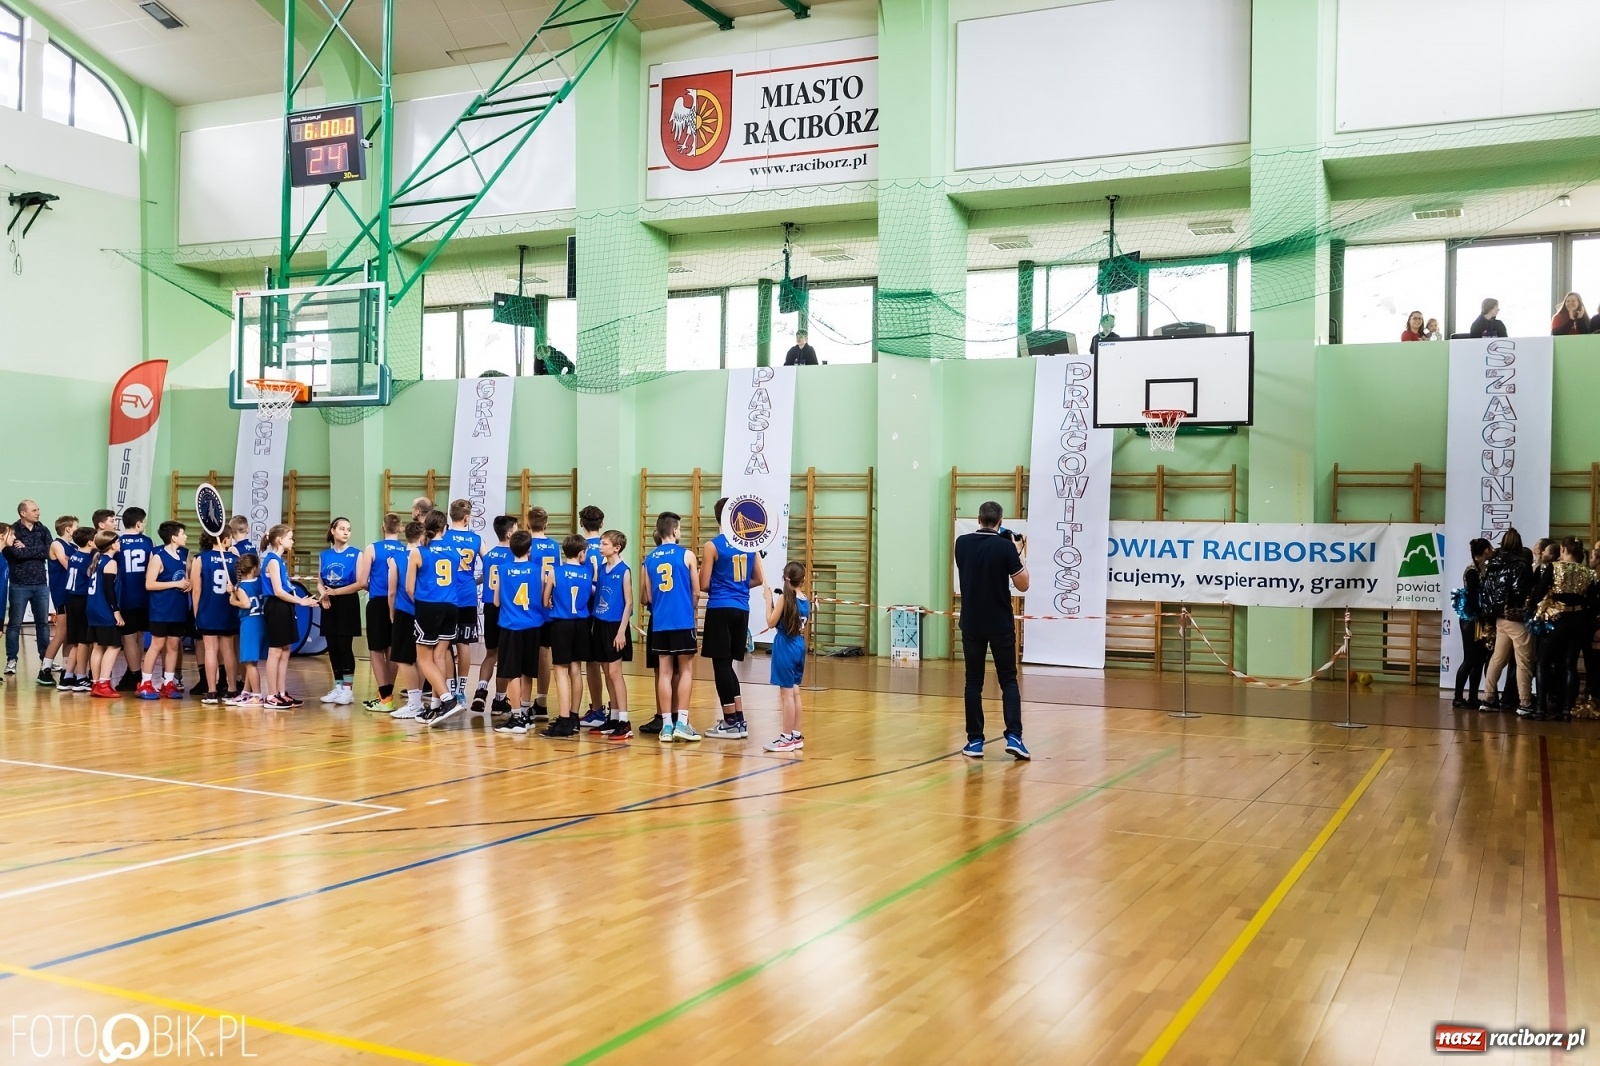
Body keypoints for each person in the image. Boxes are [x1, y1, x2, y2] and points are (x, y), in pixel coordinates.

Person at [954, 501, 1030, 759]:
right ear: (1000, 520)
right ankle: (1015, 737)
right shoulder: (1006, 547)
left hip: (972, 623)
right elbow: (1023, 585)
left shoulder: (961, 544)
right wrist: (1018, 551)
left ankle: (975, 742)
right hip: (1000, 624)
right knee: (1008, 680)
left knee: (973, 682)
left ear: (978, 519)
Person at [701, 496, 764, 740]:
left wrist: (721, 584)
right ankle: (738, 718)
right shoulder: (749, 544)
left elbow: (705, 583)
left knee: (720, 664)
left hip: (720, 607)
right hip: (742, 608)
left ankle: (729, 722)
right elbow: (758, 579)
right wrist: (738, 585)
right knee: (729, 665)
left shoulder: (713, 545)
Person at [644, 511, 701, 742]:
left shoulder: (649, 559)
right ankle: (682, 722)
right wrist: (690, 609)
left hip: (660, 622)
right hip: (682, 620)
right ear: (675, 530)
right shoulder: (687, 555)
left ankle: (666, 725)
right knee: (686, 670)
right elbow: (696, 591)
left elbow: (647, 595)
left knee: (664, 673)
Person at [405, 510, 463, 726]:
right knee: (441, 655)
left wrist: (422, 602)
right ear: (444, 528)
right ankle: (437, 707)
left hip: (429, 606)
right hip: (451, 606)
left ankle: (448, 700)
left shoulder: (419, 552)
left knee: (423, 658)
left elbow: (409, 588)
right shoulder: (455, 552)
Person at [1530, 537, 1593, 721]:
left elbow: (1540, 592)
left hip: (1556, 620)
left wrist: (1533, 608)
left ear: (1563, 549)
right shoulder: (1588, 572)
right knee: (1569, 665)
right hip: (1578, 621)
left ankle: (1541, 708)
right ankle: (1566, 709)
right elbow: (1593, 603)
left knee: (1542, 661)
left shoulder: (1554, 568)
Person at [541, 534, 593, 738]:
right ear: (581, 553)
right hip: (581, 624)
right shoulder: (587, 573)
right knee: (576, 669)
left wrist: (553, 600)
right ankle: (573, 717)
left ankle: (563, 721)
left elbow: (545, 601)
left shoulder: (555, 572)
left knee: (560, 670)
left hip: (561, 624)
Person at [261, 524, 317, 710]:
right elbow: (277, 590)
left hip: (285, 607)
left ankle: (281, 692)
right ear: (280, 540)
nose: (292, 541)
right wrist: (301, 601)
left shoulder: (279, 560)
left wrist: (301, 601)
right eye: (290, 538)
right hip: (276, 607)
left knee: (285, 650)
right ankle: (270, 695)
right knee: (275, 651)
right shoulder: (272, 561)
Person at [1481, 528, 1535, 713]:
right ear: (1519, 543)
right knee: (1524, 662)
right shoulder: (1520, 563)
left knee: (1497, 659)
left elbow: (1486, 591)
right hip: (1516, 618)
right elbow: (1521, 590)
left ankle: (1488, 698)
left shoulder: (1492, 562)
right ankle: (1525, 702)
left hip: (1498, 618)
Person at [360, 513, 410, 712]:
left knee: (376, 649)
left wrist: (375, 587)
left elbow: (362, 581)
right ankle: (387, 694)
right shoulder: (406, 550)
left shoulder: (372, 548)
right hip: (399, 602)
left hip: (378, 600)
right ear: (400, 529)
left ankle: (384, 696)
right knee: (392, 648)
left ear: (383, 527)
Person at [493, 532, 541, 735]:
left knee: (512, 672)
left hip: (512, 625)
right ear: (529, 549)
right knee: (527, 671)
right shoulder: (538, 570)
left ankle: (516, 716)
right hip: (532, 625)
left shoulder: (503, 570)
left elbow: (496, 601)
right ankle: (525, 711)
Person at [588, 530, 633, 740]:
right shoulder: (602, 570)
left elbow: (629, 602)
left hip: (616, 626)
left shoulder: (624, 571)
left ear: (616, 548)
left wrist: (622, 631)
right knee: (607, 671)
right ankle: (614, 717)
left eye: (604, 544)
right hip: (600, 623)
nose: (600, 547)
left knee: (615, 673)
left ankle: (625, 721)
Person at [6, 499, 56, 684]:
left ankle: (46, 659)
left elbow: (50, 551)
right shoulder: (13, 531)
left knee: (43, 623)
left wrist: (27, 548)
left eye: (38, 509)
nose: (38, 512)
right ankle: (11, 660)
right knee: (14, 624)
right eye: (34, 510)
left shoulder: (43, 529)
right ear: (23, 513)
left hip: (41, 583)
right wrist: (35, 550)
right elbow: (16, 554)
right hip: (19, 584)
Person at [139, 520, 190, 700]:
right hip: (161, 609)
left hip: (178, 608)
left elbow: (184, 578)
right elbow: (149, 584)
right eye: (183, 534)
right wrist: (175, 583)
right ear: (174, 537)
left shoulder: (183, 556)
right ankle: (145, 683)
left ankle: (168, 682)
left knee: (174, 645)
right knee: (157, 645)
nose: (186, 537)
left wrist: (187, 585)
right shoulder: (159, 556)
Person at [472, 514, 518, 715]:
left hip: (490, 607)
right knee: (506, 656)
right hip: (506, 608)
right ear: (509, 533)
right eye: (516, 529)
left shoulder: (489, 554)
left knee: (491, 653)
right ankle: (499, 699)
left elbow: (483, 577)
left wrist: (472, 583)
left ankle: (480, 690)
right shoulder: (515, 555)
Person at [762, 561, 810, 753]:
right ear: (803, 580)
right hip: (799, 644)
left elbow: (771, 622)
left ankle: (786, 738)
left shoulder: (784, 597)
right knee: (795, 691)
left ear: (785, 578)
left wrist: (768, 601)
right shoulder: (805, 598)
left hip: (786, 645)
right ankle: (796, 735)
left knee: (786, 694)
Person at [318, 517, 364, 706]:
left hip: (347, 601)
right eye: (342, 528)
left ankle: (347, 689)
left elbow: (360, 583)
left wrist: (336, 592)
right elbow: (320, 581)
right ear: (333, 531)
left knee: (345, 646)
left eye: (349, 529)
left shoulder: (356, 554)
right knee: (333, 646)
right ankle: (337, 687)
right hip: (329, 602)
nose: (346, 532)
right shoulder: (325, 555)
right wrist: (324, 595)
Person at [191, 530, 239, 706]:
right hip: (228, 610)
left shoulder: (200, 558)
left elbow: (196, 589)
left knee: (210, 649)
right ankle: (232, 689)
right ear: (226, 539)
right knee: (228, 650)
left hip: (208, 610)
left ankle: (211, 691)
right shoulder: (235, 560)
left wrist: (196, 613)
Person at [523, 507, 562, 719]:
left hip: (529, 603)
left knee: (528, 653)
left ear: (528, 524)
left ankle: (523, 704)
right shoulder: (555, 546)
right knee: (545, 653)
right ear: (546, 524)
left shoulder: (525, 544)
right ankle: (542, 702)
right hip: (549, 604)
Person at [441, 499, 482, 700]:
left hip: (446, 596)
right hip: (467, 596)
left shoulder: (443, 537)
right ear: (467, 517)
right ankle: (462, 691)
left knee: (446, 643)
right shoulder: (476, 539)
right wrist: (476, 581)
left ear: (451, 516)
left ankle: (448, 688)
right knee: (464, 644)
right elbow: (491, 564)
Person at [388, 521, 427, 721]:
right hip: (425, 611)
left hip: (405, 611)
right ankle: (418, 700)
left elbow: (392, 590)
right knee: (421, 657)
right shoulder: (427, 556)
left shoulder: (397, 558)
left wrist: (391, 612)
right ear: (423, 537)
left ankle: (414, 703)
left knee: (404, 658)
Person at [115, 507, 154, 692]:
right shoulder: (148, 542)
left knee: (129, 637)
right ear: (138, 524)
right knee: (138, 635)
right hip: (145, 594)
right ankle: (136, 671)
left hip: (126, 594)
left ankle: (134, 673)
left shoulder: (118, 542)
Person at [1451, 538, 1494, 709]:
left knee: (1479, 659)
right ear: (1485, 551)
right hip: (1471, 619)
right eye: (1490, 548)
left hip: (1479, 618)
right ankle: (1457, 696)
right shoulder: (1472, 571)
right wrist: (1481, 615)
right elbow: (1471, 596)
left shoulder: (1483, 568)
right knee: (1469, 659)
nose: (1492, 550)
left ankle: (1473, 696)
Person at [577, 504, 610, 727]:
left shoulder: (580, 548)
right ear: (602, 524)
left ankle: (597, 708)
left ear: (581, 524)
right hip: (608, 608)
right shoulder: (610, 545)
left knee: (591, 662)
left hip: (587, 608)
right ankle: (614, 709)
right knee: (609, 663)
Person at [84, 531, 125, 699]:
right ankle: (104, 683)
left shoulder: (97, 560)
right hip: (104, 609)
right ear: (112, 544)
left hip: (92, 607)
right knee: (114, 645)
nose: (120, 543)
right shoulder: (110, 563)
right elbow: (109, 590)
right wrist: (116, 612)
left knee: (98, 646)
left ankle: (95, 683)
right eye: (118, 541)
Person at [227, 553, 265, 706]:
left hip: (250, 623)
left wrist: (232, 598)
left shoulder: (242, 587)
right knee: (252, 661)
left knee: (249, 662)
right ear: (255, 568)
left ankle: (257, 695)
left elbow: (246, 604)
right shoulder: (260, 582)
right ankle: (246, 692)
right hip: (261, 621)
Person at [60, 527, 95, 692]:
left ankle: (68, 676)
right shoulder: (89, 558)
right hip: (82, 599)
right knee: (83, 641)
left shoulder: (74, 555)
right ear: (90, 542)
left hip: (71, 599)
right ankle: (81, 676)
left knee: (75, 640)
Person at [45, 515, 78, 684]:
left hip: (72, 593)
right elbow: (68, 565)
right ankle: (45, 669)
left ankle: (67, 670)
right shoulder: (56, 544)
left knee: (69, 635)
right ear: (68, 528)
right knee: (61, 633)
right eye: (76, 527)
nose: (78, 530)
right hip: (61, 593)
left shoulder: (73, 546)